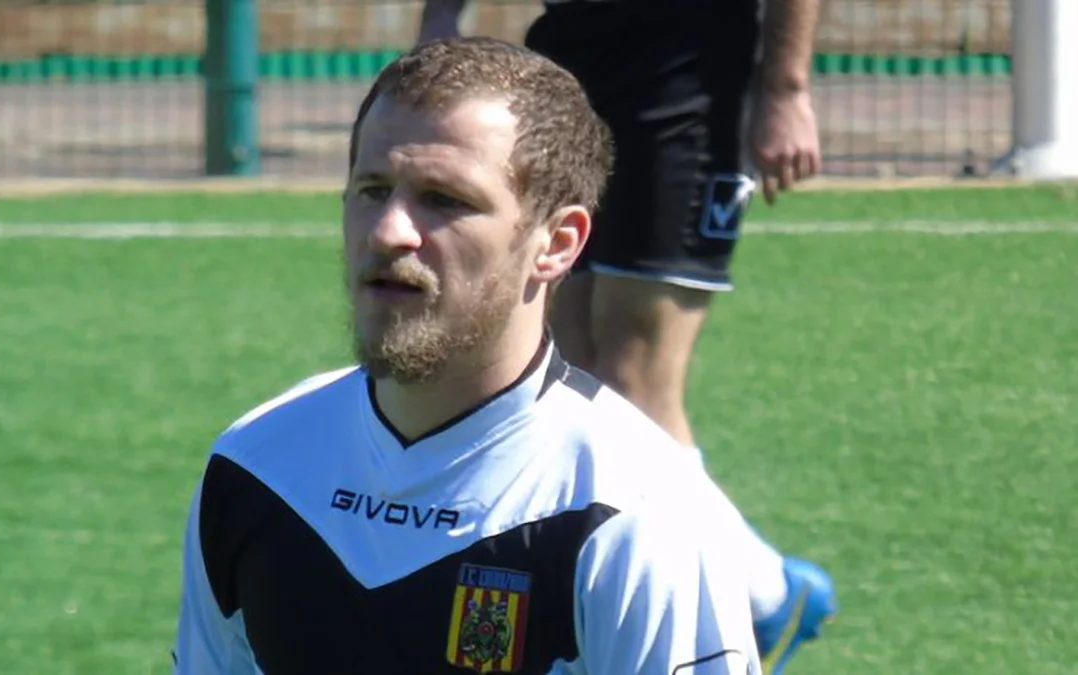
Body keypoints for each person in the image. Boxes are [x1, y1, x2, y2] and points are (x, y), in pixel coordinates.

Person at [173, 36, 764, 675]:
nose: (389, 232)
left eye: (445, 199)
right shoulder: (258, 466)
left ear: (557, 243)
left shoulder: (631, 508)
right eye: (372, 189)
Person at [416, 0, 839, 673]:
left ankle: (755, 602)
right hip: (569, 57)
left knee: (635, 379)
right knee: (567, 372)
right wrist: (441, 15)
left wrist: (784, 89)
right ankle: (749, 590)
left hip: (691, 69)